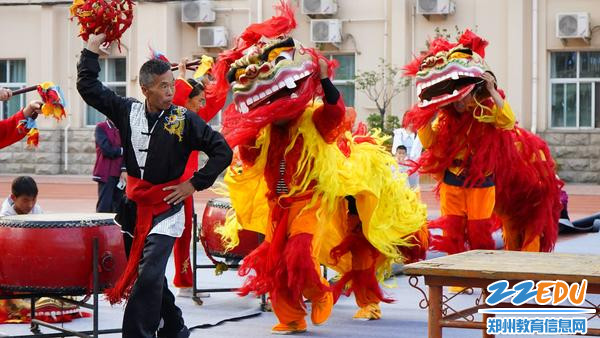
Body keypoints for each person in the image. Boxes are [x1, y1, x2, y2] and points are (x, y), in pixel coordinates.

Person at [214, 2, 427, 332]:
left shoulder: (314, 120)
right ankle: (292, 318)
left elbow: (335, 116)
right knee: (276, 264)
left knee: (302, 252)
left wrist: (327, 80)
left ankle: (322, 294)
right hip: (277, 205)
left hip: (310, 202)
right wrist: (249, 127)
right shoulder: (267, 132)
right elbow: (251, 157)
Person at [77, 33, 233, 338]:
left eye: (172, 85)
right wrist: (91, 50)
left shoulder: (184, 118)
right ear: (145, 88)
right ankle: (174, 326)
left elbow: (222, 151)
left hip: (168, 208)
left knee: (149, 274)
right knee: (146, 277)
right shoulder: (126, 110)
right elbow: (89, 88)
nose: (170, 91)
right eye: (163, 86)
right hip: (133, 207)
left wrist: (194, 184)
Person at [403, 30, 561, 257]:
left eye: (463, 90)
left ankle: (482, 277)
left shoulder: (485, 111)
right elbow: (428, 142)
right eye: (454, 92)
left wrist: (492, 91)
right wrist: (426, 112)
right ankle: (458, 280)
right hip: (453, 180)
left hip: (481, 181)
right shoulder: (444, 121)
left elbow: (507, 121)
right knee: (453, 231)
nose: (459, 98)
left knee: (479, 232)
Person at [93, 118, 126, 213]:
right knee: (104, 206)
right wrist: (122, 150)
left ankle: (117, 228)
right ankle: (100, 228)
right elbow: (106, 149)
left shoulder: (124, 128)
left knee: (120, 207)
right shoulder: (101, 127)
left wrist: (124, 169)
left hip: (121, 174)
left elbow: (130, 150)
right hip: (106, 173)